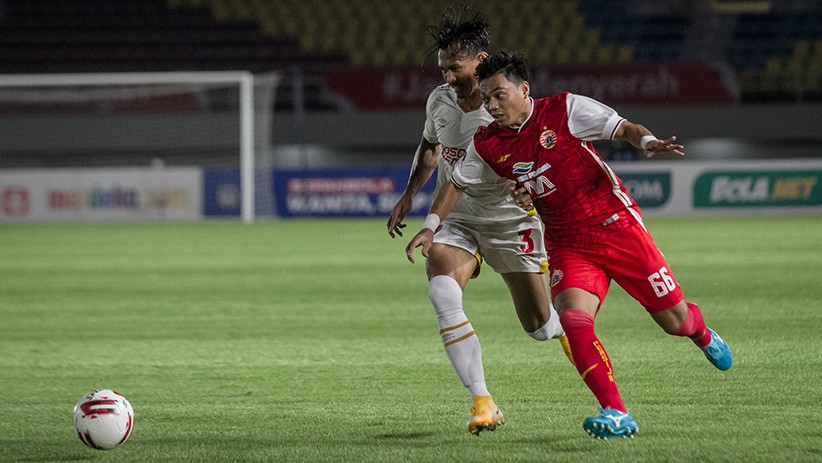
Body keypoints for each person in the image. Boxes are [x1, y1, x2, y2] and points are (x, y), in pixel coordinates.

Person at [405, 51, 733, 440]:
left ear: (523, 89)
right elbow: (456, 183)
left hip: (616, 227)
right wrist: (431, 226)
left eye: (499, 95)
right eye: (487, 98)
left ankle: (703, 334)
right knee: (574, 320)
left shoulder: (565, 109)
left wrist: (645, 141)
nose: (491, 106)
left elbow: (623, 127)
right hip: (566, 241)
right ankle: (616, 411)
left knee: (675, 322)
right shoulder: (488, 142)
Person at [387, 9, 570, 436]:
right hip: (457, 218)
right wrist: (410, 195)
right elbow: (431, 149)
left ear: (479, 59)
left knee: (540, 328)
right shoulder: (439, 101)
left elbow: (545, 154)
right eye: (443, 68)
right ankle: (483, 401)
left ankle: (571, 331)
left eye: (455, 67)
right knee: (442, 292)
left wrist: (531, 189)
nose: (447, 76)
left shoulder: (503, 107)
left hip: (509, 221)